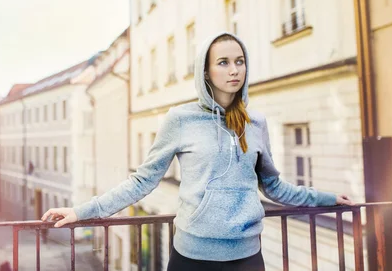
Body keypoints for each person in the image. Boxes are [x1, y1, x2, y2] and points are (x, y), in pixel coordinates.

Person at [42, 32, 353, 270]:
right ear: (205, 72)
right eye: (223, 62)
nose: (234, 70)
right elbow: (142, 181)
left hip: (247, 257)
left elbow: (273, 186)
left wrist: (325, 198)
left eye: (239, 61)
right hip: (192, 258)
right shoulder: (181, 119)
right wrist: (81, 211)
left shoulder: (256, 122)